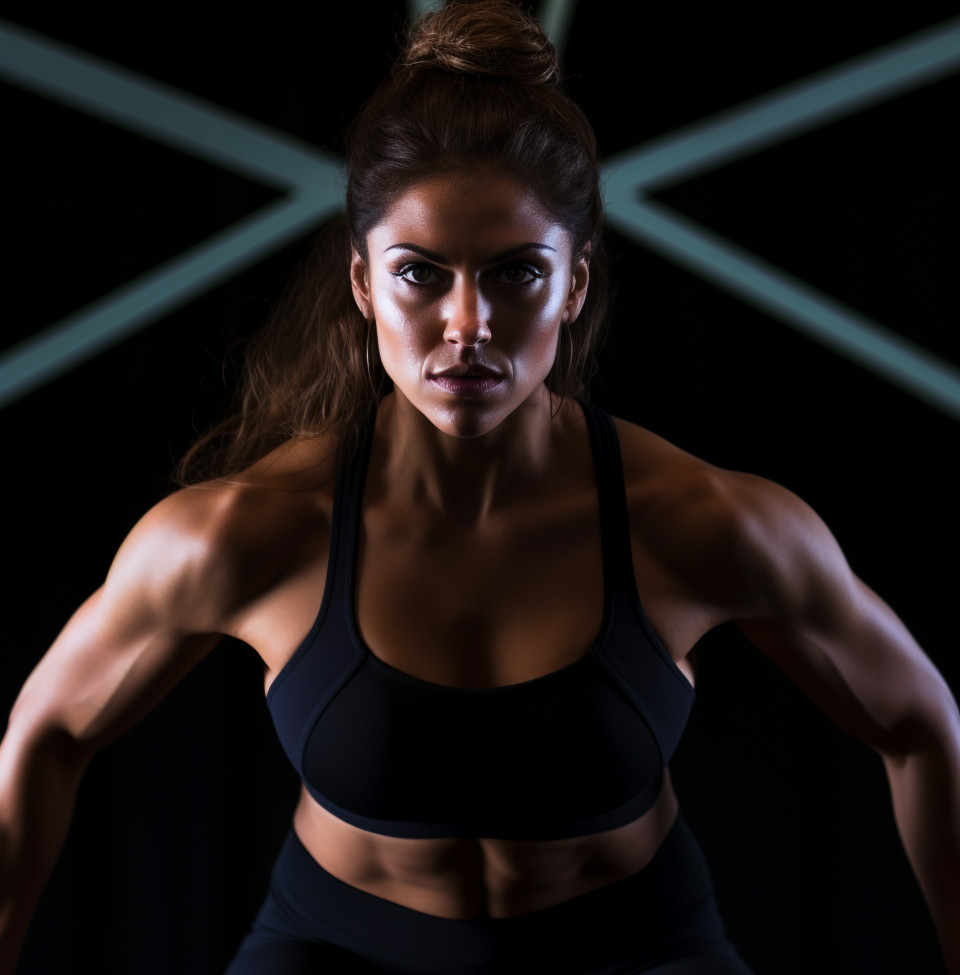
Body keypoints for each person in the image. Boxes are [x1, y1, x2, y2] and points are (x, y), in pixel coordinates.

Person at [2, 1, 958, 972]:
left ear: (574, 286)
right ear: (364, 284)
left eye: (515, 275)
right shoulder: (243, 536)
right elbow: (43, 735)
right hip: (338, 950)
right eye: (421, 274)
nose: (469, 325)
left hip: (636, 948)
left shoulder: (706, 525)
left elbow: (923, 726)